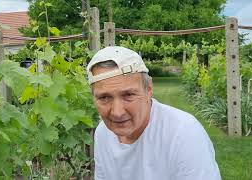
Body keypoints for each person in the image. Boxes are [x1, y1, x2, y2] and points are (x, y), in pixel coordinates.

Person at [86, 46, 221, 180]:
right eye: (104, 98)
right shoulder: (103, 133)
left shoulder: (183, 133)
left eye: (128, 95)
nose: (117, 112)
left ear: (149, 89)